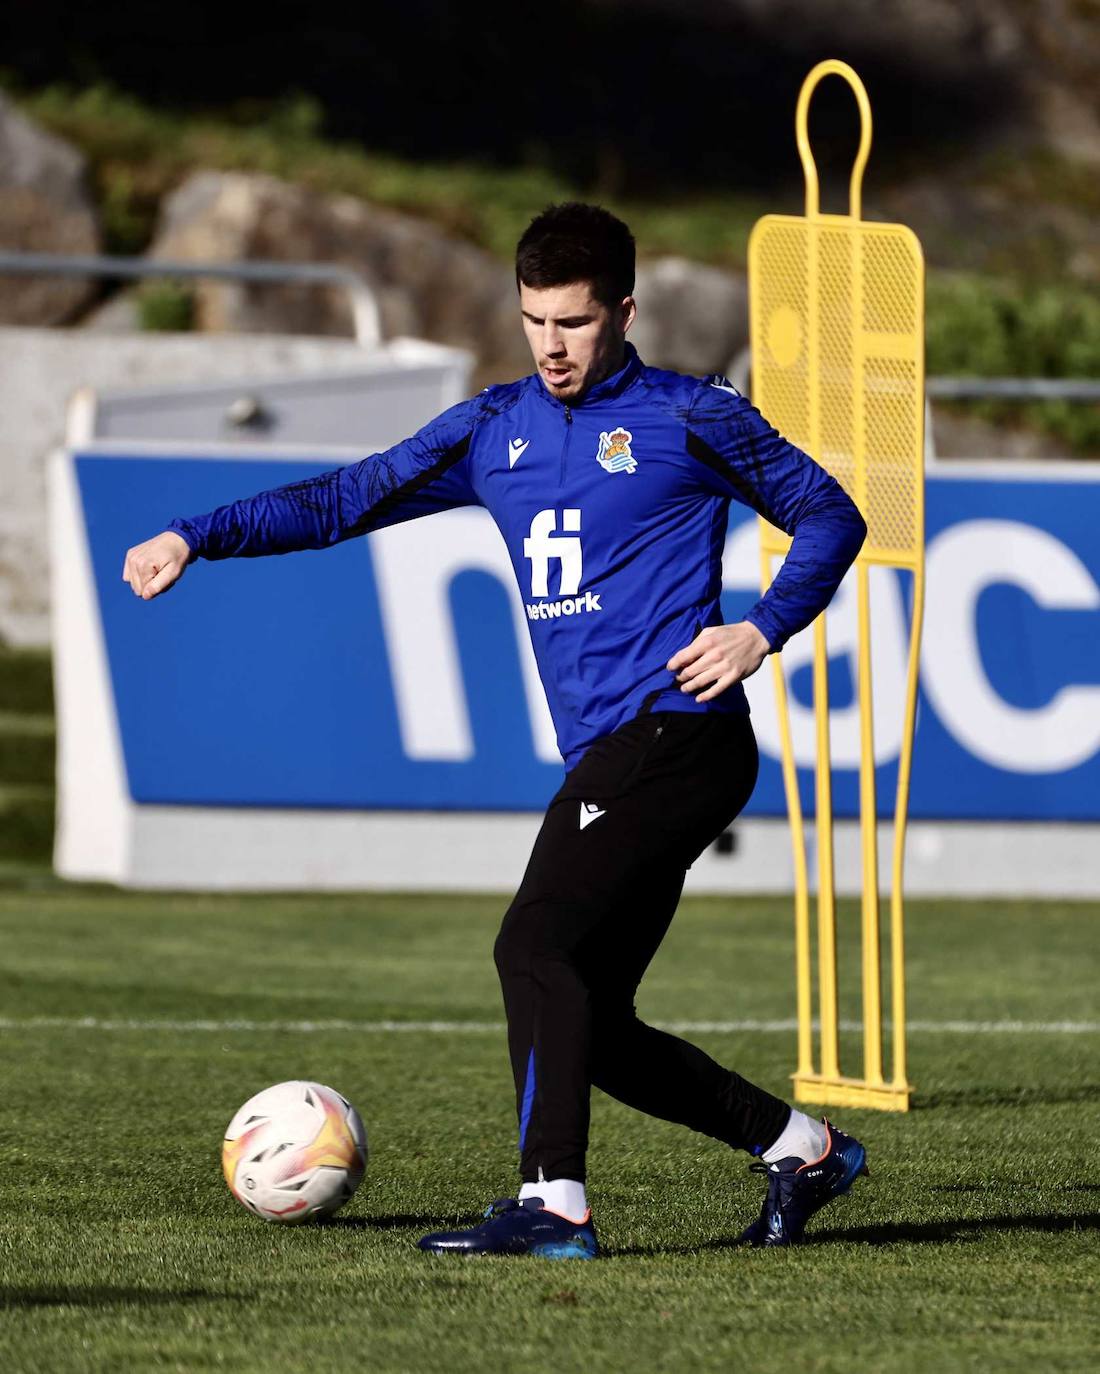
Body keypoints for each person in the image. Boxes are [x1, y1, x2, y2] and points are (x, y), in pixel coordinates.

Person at [123, 202, 869, 1259]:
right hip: (618, 751)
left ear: (622, 309)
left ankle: (553, 1204)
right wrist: (196, 534)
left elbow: (833, 513)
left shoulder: (691, 414)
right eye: (533, 321)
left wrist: (758, 630)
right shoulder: (493, 431)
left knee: (531, 944)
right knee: (590, 1020)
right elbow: (346, 499)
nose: (552, 346)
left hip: (679, 734)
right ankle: (801, 1149)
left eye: (573, 321)